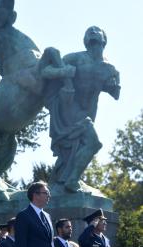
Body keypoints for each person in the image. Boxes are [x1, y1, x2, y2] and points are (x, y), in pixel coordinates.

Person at [44, 26, 120, 193]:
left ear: (104, 42)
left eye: (97, 39)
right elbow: (46, 71)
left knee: (77, 147)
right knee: (94, 143)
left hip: (89, 112)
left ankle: (65, 179)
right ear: (86, 42)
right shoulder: (75, 58)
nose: (93, 42)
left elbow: (115, 94)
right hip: (69, 106)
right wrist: (63, 71)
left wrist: (114, 86)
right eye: (90, 39)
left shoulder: (109, 69)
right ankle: (71, 180)